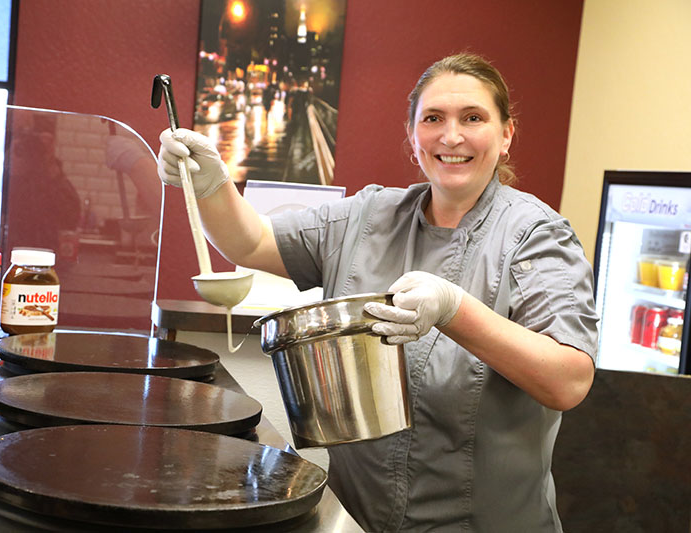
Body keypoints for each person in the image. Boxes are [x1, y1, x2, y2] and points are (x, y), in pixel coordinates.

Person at [158, 53, 598, 532]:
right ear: (413, 135)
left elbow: (568, 381)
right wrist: (211, 183)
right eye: (433, 119)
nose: (451, 136)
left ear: (506, 133)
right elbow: (252, 242)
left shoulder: (536, 235)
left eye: (473, 118)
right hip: (356, 519)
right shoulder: (367, 218)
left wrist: (454, 310)